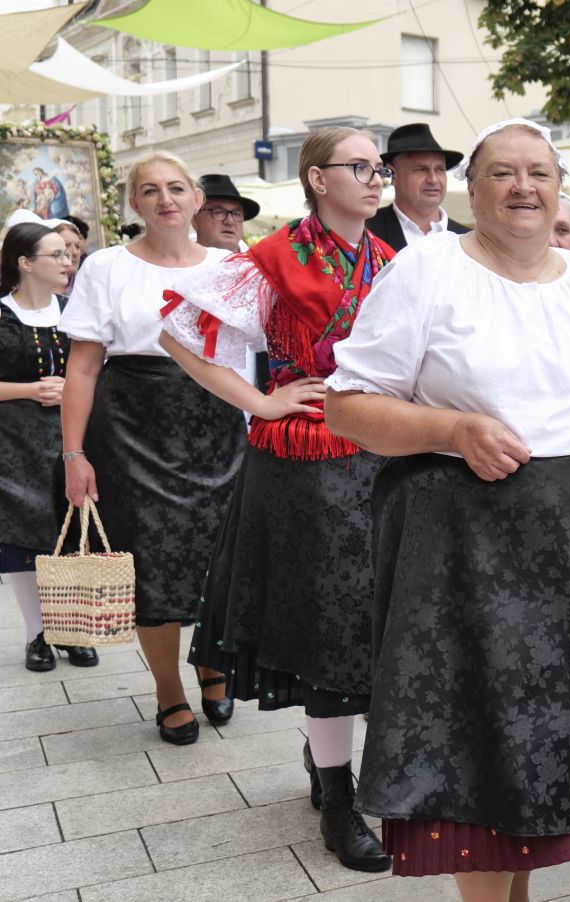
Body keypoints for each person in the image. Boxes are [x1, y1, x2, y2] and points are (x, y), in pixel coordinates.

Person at [324, 118, 570, 902]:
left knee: (545, 746)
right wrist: (451, 428)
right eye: (502, 173)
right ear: (472, 187)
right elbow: (347, 406)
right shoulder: (425, 274)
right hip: (464, 545)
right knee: (482, 750)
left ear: (559, 187)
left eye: (539, 173)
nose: (524, 187)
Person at [160, 128, 396, 872]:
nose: (375, 178)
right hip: (303, 464)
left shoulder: (393, 261)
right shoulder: (271, 257)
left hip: (380, 454)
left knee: (376, 621)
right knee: (328, 626)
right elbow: (177, 335)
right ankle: (337, 795)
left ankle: (328, 760)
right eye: (361, 166)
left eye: (378, 166)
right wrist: (261, 403)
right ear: (318, 178)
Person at [56, 152, 244, 746]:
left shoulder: (230, 265)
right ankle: (169, 692)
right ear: (134, 204)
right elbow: (82, 370)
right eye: (150, 190)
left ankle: (214, 664)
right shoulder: (105, 267)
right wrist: (73, 454)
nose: (165, 199)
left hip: (217, 422)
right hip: (132, 424)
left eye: (176, 188)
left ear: (196, 199)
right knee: (152, 562)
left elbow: (245, 357)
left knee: (223, 558)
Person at [0, 223, 97, 671]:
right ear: (24, 262)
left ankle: (71, 627)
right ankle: (37, 631)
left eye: (69, 253)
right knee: (24, 538)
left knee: (71, 527)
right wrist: (29, 390)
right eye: (56, 254)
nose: (67, 261)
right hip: (12, 441)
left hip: (69, 435)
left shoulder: (73, 310)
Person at [365, 123, 469, 252]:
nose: (433, 179)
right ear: (393, 175)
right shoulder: (365, 232)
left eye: (440, 169)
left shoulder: (467, 240)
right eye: (421, 169)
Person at [192, 174, 261, 252]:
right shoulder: (178, 262)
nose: (230, 221)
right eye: (218, 212)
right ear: (194, 219)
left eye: (236, 214)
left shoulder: (257, 263)